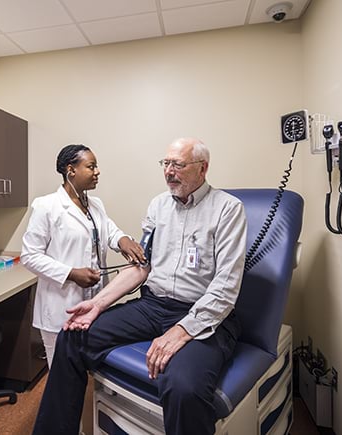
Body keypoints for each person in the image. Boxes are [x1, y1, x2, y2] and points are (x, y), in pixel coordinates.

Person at [32, 138, 248, 435]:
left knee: (183, 386)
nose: (169, 172)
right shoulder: (159, 206)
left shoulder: (228, 209)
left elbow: (226, 286)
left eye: (178, 165)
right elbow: (141, 267)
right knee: (73, 337)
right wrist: (97, 305)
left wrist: (182, 330)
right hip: (153, 305)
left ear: (203, 168)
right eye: (166, 164)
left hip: (202, 314)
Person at [21, 144, 144, 368]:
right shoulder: (47, 207)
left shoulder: (95, 204)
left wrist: (123, 240)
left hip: (95, 300)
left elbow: (108, 230)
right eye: (91, 166)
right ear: (71, 170)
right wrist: (71, 273)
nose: (97, 172)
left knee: (88, 364)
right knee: (62, 371)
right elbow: (30, 256)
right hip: (61, 303)